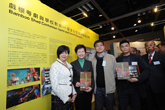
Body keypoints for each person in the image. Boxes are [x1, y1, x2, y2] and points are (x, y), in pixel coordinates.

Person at [116, 40, 150, 110]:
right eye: (122, 46)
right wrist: (116, 71)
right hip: (123, 87)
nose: (124, 48)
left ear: (129, 47)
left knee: (136, 106)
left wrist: (138, 79)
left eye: (126, 46)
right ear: (120, 49)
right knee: (122, 106)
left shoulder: (137, 57)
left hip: (135, 87)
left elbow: (147, 69)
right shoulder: (117, 59)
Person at [91, 40, 116, 110]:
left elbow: (114, 72)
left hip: (109, 88)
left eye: (101, 45)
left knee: (109, 107)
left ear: (104, 47)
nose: (99, 47)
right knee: (98, 108)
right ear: (95, 48)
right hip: (97, 89)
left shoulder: (111, 58)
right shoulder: (92, 60)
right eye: (97, 45)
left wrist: (110, 80)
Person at [50, 45, 77, 110]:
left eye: (66, 52)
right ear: (58, 54)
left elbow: (70, 81)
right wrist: (66, 98)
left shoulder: (69, 65)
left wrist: (74, 93)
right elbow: (55, 85)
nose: (64, 54)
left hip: (70, 96)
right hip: (59, 98)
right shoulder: (55, 65)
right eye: (62, 52)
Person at [142, 41, 165, 110]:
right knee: (150, 105)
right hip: (147, 87)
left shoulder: (162, 56)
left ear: (155, 46)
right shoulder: (143, 58)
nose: (149, 47)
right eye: (147, 45)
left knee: (161, 105)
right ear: (145, 48)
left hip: (159, 86)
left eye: (151, 45)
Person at [71, 44, 94, 110]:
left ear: (85, 52)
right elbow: (72, 77)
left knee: (88, 107)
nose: (81, 53)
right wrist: (75, 83)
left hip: (88, 90)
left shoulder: (89, 63)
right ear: (76, 53)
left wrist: (91, 87)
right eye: (79, 52)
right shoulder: (73, 64)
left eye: (83, 51)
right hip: (78, 91)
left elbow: (92, 76)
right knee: (79, 107)